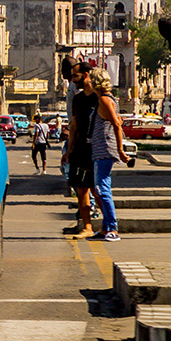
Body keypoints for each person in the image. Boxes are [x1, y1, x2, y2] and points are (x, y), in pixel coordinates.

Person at [87, 69, 133, 241]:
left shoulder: (105, 100)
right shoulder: (105, 100)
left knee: (102, 189)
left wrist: (120, 149)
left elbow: (116, 124)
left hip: (105, 148)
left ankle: (112, 228)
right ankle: (106, 228)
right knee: (99, 188)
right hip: (99, 148)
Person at [63, 59, 99, 238]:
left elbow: (115, 123)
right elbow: (74, 124)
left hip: (96, 148)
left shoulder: (100, 97)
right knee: (81, 188)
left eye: (75, 76)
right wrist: (69, 150)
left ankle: (109, 225)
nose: (73, 80)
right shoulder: (77, 98)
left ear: (86, 75)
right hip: (80, 148)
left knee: (97, 188)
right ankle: (87, 227)